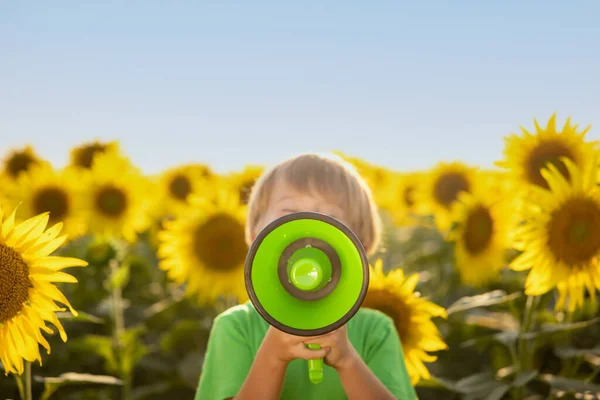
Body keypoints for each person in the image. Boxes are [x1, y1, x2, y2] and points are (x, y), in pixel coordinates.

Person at [195, 153, 418, 400]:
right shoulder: (236, 328)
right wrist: (272, 357)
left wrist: (347, 360)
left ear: (359, 247)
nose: (307, 227)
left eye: (330, 219)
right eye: (289, 212)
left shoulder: (377, 330)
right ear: (254, 235)